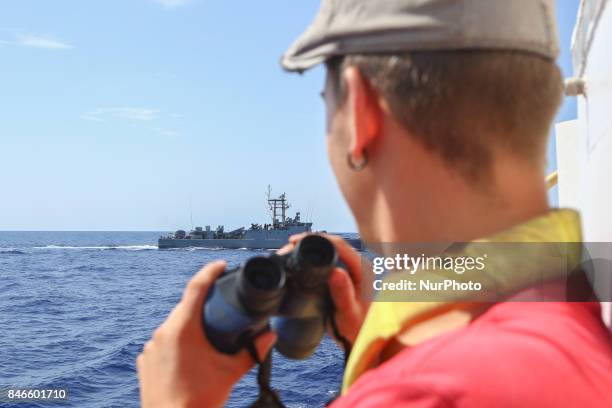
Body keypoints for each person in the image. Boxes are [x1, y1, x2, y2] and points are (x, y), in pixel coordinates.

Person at [137, 0, 612, 407]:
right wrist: (378, 355)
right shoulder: (580, 313)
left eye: (327, 101)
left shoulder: (422, 393)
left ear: (362, 113)